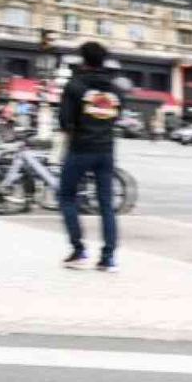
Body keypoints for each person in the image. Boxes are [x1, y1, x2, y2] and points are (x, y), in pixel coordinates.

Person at [57, 41, 125, 272]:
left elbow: (65, 121)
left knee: (67, 196)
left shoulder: (74, 85)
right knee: (106, 203)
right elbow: (116, 117)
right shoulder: (115, 89)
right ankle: (108, 258)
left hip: (80, 149)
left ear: (83, 60)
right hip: (106, 151)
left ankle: (78, 250)